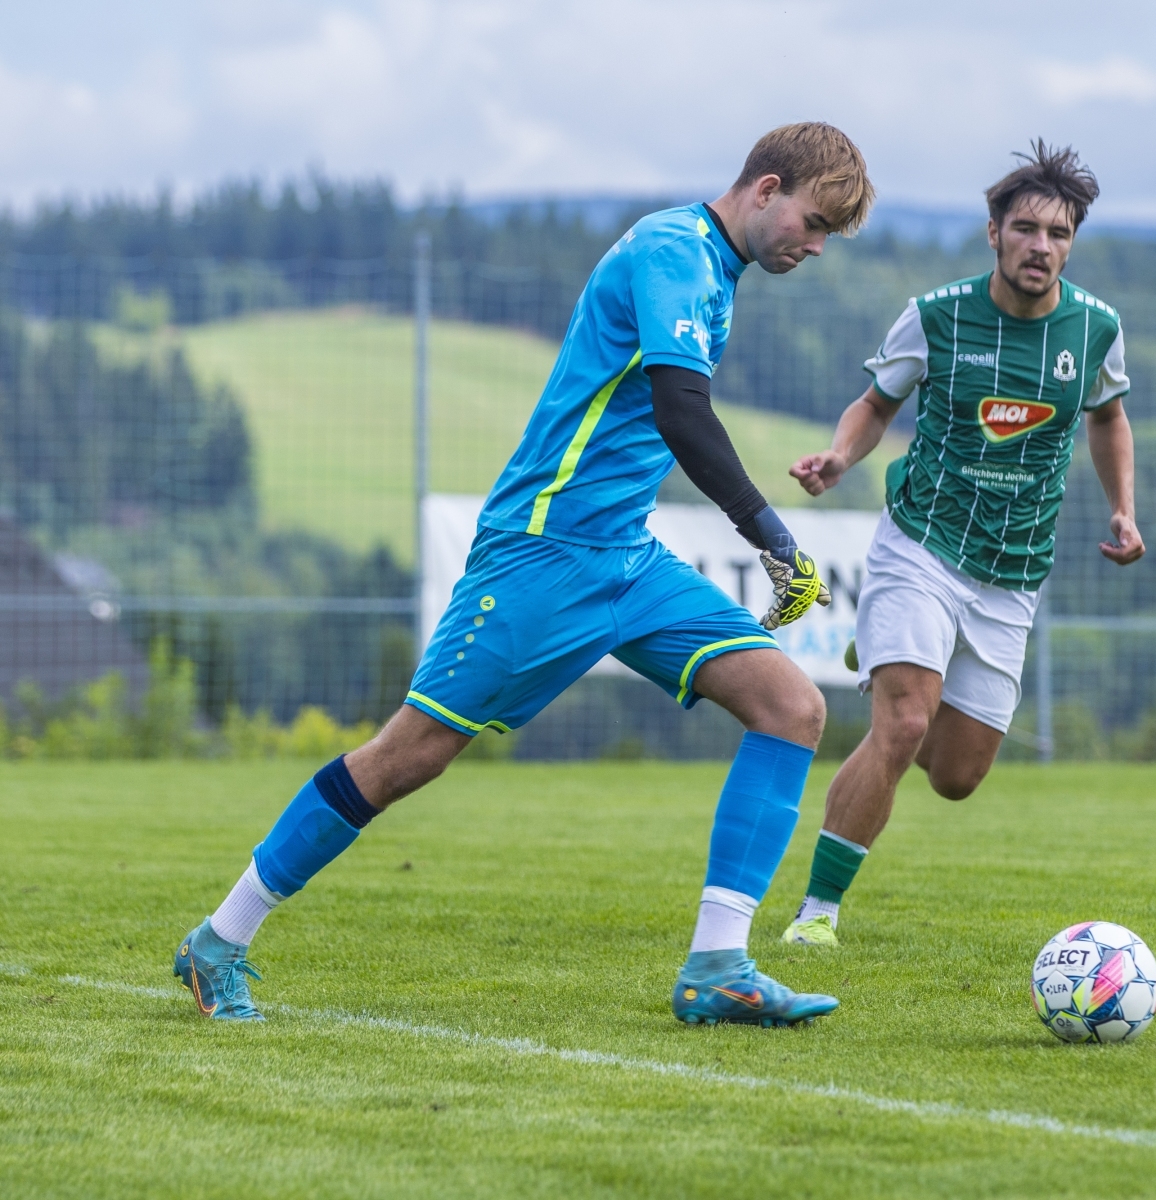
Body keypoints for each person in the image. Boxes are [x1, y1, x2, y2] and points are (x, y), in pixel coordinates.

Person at [174, 123, 874, 1026]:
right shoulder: (674, 249)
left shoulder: (716, 271)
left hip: (626, 556)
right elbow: (683, 412)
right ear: (768, 188)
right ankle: (219, 940)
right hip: (542, 551)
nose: (815, 248)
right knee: (407, 757)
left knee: (791, 707)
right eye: (813, 224)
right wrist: (769, 535)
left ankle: (718, 967)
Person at [782, 141, 1144, 948]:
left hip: (1013, 572)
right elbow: (876, 405)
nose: (1040, 246)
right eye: (1025, 229)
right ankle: (816, 915)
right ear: (994, 232)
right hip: (924, 544)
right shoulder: (937, 315)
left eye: (1057, 234)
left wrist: (1124, 509)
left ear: (1072, 243)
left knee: (954, 776)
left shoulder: (1096, 329)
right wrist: (840, 456)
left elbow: (1109, 417)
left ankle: (899, 656)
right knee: (904, 725)